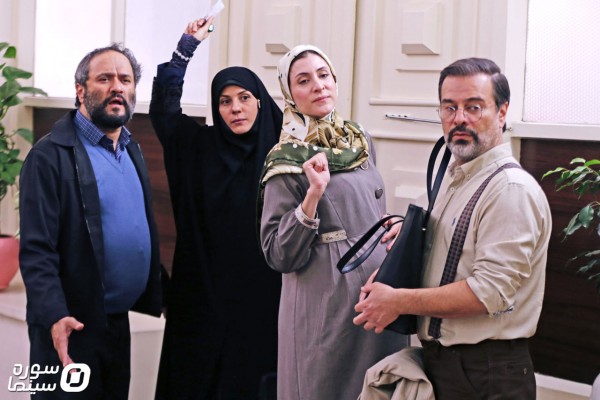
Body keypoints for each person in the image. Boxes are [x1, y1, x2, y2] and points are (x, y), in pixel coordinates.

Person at [353, 57, 552, 400]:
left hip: (487, 374)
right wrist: (407, 242)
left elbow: (489, 292)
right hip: (447, 365)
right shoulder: (456, 177)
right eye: (449, 107)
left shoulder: (509, 190)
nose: (459, 118)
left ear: (502, 112)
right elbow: (451, 252)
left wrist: (398, 301)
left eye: (473, 107)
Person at [259, 44, 408, 400]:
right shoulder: (286, 157)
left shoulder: (359, 138)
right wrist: (313, 194)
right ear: (289, 94)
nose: (318, 85)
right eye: (303, 80)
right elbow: (277, 253)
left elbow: (369, 207)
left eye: (323, 75)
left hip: (377, 290)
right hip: (326, 300)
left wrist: (394, 224)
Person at [18, 43, 162, 399]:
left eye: (125, 79)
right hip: (69, 325)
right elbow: (37, 250)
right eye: (105, 78)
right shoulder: (48, 157)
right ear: (80, 90)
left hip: (116, 324)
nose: (117, 87)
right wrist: (54, 315)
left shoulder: (130, 148)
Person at [149, 17, 283, 400]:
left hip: (263, 298)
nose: (235, 108)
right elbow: (164, 113)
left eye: (244, 98)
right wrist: (185, 48)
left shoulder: (283, 155)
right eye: (225, 101)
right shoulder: (199, 148)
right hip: (202, 294)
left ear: (260, 102)